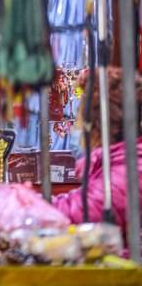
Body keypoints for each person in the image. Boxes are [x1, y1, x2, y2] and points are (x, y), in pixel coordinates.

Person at [53, 67, 142, 242]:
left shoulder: (129, 170)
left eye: (79, 120)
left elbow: (82, 212)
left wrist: (25, 204)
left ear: (95, 125)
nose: (75, 128)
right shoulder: (119, 163)